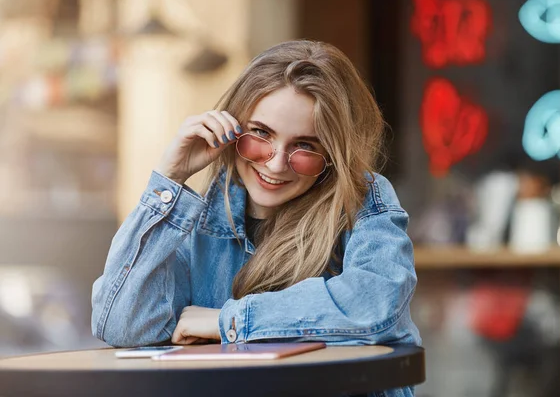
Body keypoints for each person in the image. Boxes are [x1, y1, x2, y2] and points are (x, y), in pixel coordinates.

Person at [91, 40, 421, 397]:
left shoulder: (362, 200)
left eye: (305, 146)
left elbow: (373, 305)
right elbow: (122, 325)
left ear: (332, 153)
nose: (276, 164)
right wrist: (169, 180)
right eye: (261, 134)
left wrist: (227, 321)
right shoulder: (200, 219)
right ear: (232, 130)